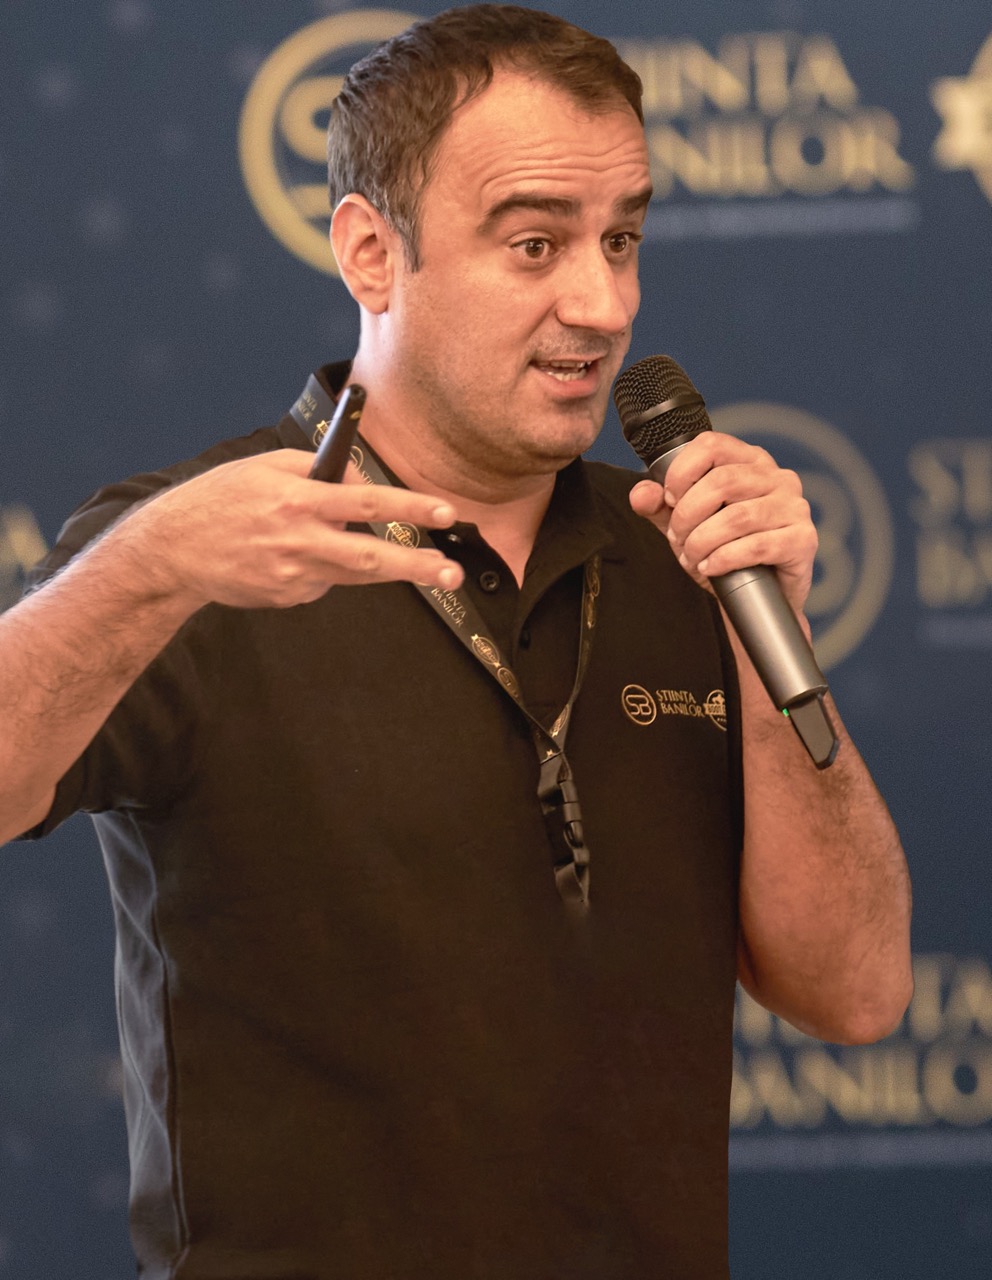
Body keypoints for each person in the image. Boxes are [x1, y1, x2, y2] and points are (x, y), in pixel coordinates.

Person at [0, 6, 911, 1277]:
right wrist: (142, 571)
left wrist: (772, 638)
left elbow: (854, 993)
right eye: (534, 243)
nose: (600, 302)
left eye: (620, 238)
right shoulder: (199, 547)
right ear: (372, 253)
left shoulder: (683, 557)